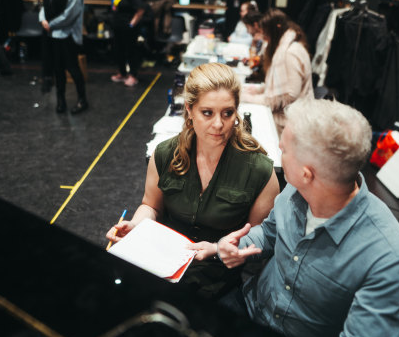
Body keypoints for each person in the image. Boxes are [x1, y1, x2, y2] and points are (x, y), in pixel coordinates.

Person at [191, 98, 399, 337]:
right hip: (251, 307)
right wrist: (234, 245)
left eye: (284, 149)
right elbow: (270, 233)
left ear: (307, 174)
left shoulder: (388, 256)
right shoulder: (296, 189)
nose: (278, 149)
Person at [107, 63, 279, 299]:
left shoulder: (260, 171)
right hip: (160, 267)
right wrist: (137, 226)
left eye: (227, 113)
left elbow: (260, 238)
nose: (218, 124)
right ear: (189, 109)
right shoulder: (165, 154)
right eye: (207, 113)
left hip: (219, 281)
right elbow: (151, 205)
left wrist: (230, 251)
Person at [241, 9, 313, 135]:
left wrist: (249, 98)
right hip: (290, 119)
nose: (265, 39)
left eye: (266, 35)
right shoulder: (288, 47)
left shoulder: (288, 53)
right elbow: (281, 84)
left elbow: (288, 95)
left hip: (291, 124)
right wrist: (261, 90)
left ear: (274, 31)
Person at [39, 0, 88, 114]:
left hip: (68, 34)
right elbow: (44, 5)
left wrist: (51, 24)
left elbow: (72, 12)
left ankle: (82, 100)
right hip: (53, 34)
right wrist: (43, 20)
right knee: (58, 69)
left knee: (73, 68)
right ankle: (61, 101)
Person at [109, 0, 145, 87]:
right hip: (118, 28)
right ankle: (122, 73)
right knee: (119, 51)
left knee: (131, 52)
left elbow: (141, 9)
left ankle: (133, 76)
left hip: (128, 29)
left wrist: (131, 24)